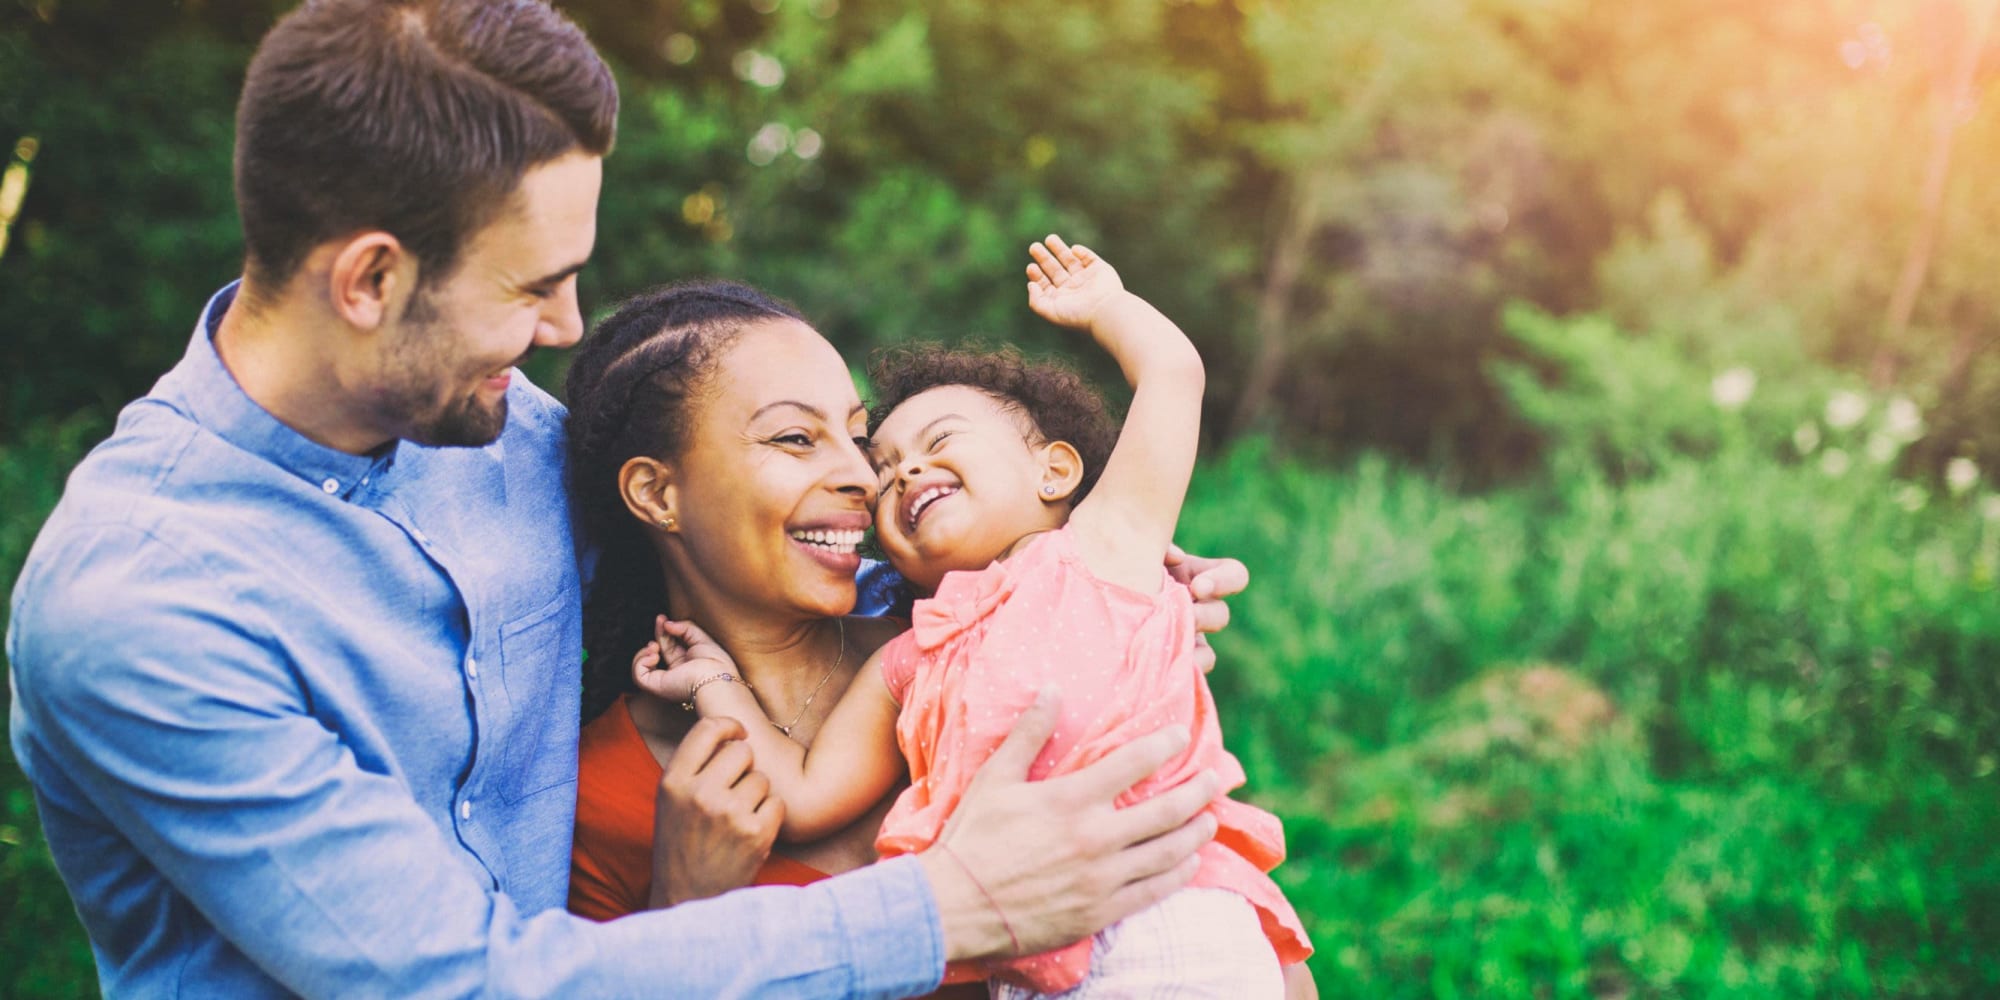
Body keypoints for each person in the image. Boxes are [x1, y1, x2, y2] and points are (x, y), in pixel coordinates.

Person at [4, 2, 1240, 995]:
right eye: (533, 286)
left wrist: (1069, 576)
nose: (565, 328)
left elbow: (765, 541)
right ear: (371, 279)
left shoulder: (501, 436)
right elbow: (462, 979)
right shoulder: (139, 608)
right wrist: (952, 904)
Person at [641, 237, 1312, 996]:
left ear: (1055, 471)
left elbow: (1173, 373)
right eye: (886, 469)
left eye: (938, 443)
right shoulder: (910, 659)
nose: (904, 473)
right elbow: (801, 795)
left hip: (1167, 915)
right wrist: (716, 683)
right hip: (1023, 965)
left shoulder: (1104, 549)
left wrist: (1106, 308)